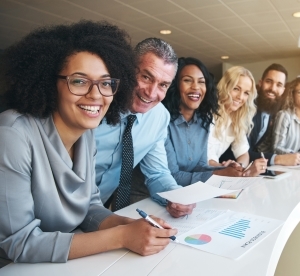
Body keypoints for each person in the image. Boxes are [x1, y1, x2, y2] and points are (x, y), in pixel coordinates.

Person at [0, 21, 176, 265]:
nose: (95, 95)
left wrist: (130, 225)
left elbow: (89, 207)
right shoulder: (12, 134)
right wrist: (122, 236)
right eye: (79, 81)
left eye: (105, 83)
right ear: (50, 82)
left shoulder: (85, 134)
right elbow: (19, 243)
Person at [95, 38, 195, 218]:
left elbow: (157, 173)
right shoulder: (95, 104)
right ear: (128, 69)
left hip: (97, 214)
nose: (151, 93)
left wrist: (175, 196)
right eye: (146, 77)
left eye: (163, 85)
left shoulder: (159, 116)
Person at [162, 57, 245, 186]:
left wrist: (226, 169)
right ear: (175, 85)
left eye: (201, 82)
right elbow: (172, 176)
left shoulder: (203, 122)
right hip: (151, 197)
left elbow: (200, 166)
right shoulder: (164, 122)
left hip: (186, 194)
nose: (196, 87)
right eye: (187, 80)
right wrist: (217, 174)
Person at [208, 66, 267, 175]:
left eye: (246, 93)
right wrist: (227, 167)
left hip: (216, 174)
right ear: (225, 86)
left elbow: (243, 154)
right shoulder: (208, 114)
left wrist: (240, 166)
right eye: (236, 89)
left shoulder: (236, 118)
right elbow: (206, 159)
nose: (240, 97)